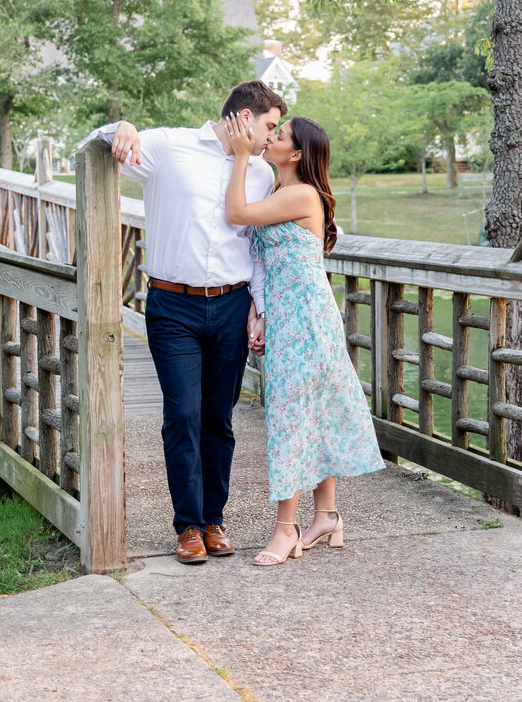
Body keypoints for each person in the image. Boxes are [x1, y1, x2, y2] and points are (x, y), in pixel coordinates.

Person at [87, 81, 287, 564]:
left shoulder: (260, 174)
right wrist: (124, 126)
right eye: (269, 126)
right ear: (243, 117)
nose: (271, 137)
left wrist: (258, 308)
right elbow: (96, 138)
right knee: (181, 415)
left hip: (233, 305)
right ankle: (188, 527)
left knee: (218, 418)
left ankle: (214, 519)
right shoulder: (170, 146)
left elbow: (257, 250)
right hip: (172, 306)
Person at [223, 114, 386, 566]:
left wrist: (239, 156)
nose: (269, 137)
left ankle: (285, 530)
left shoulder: (301, 194)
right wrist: (257, 314)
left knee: (292, 419)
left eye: (279, 135)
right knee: (310, 414)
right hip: (285, 317)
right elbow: (261, 264)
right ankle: (327, 516)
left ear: (296, 154)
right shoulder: (278, 191)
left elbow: (235, 213)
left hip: (307, 320)